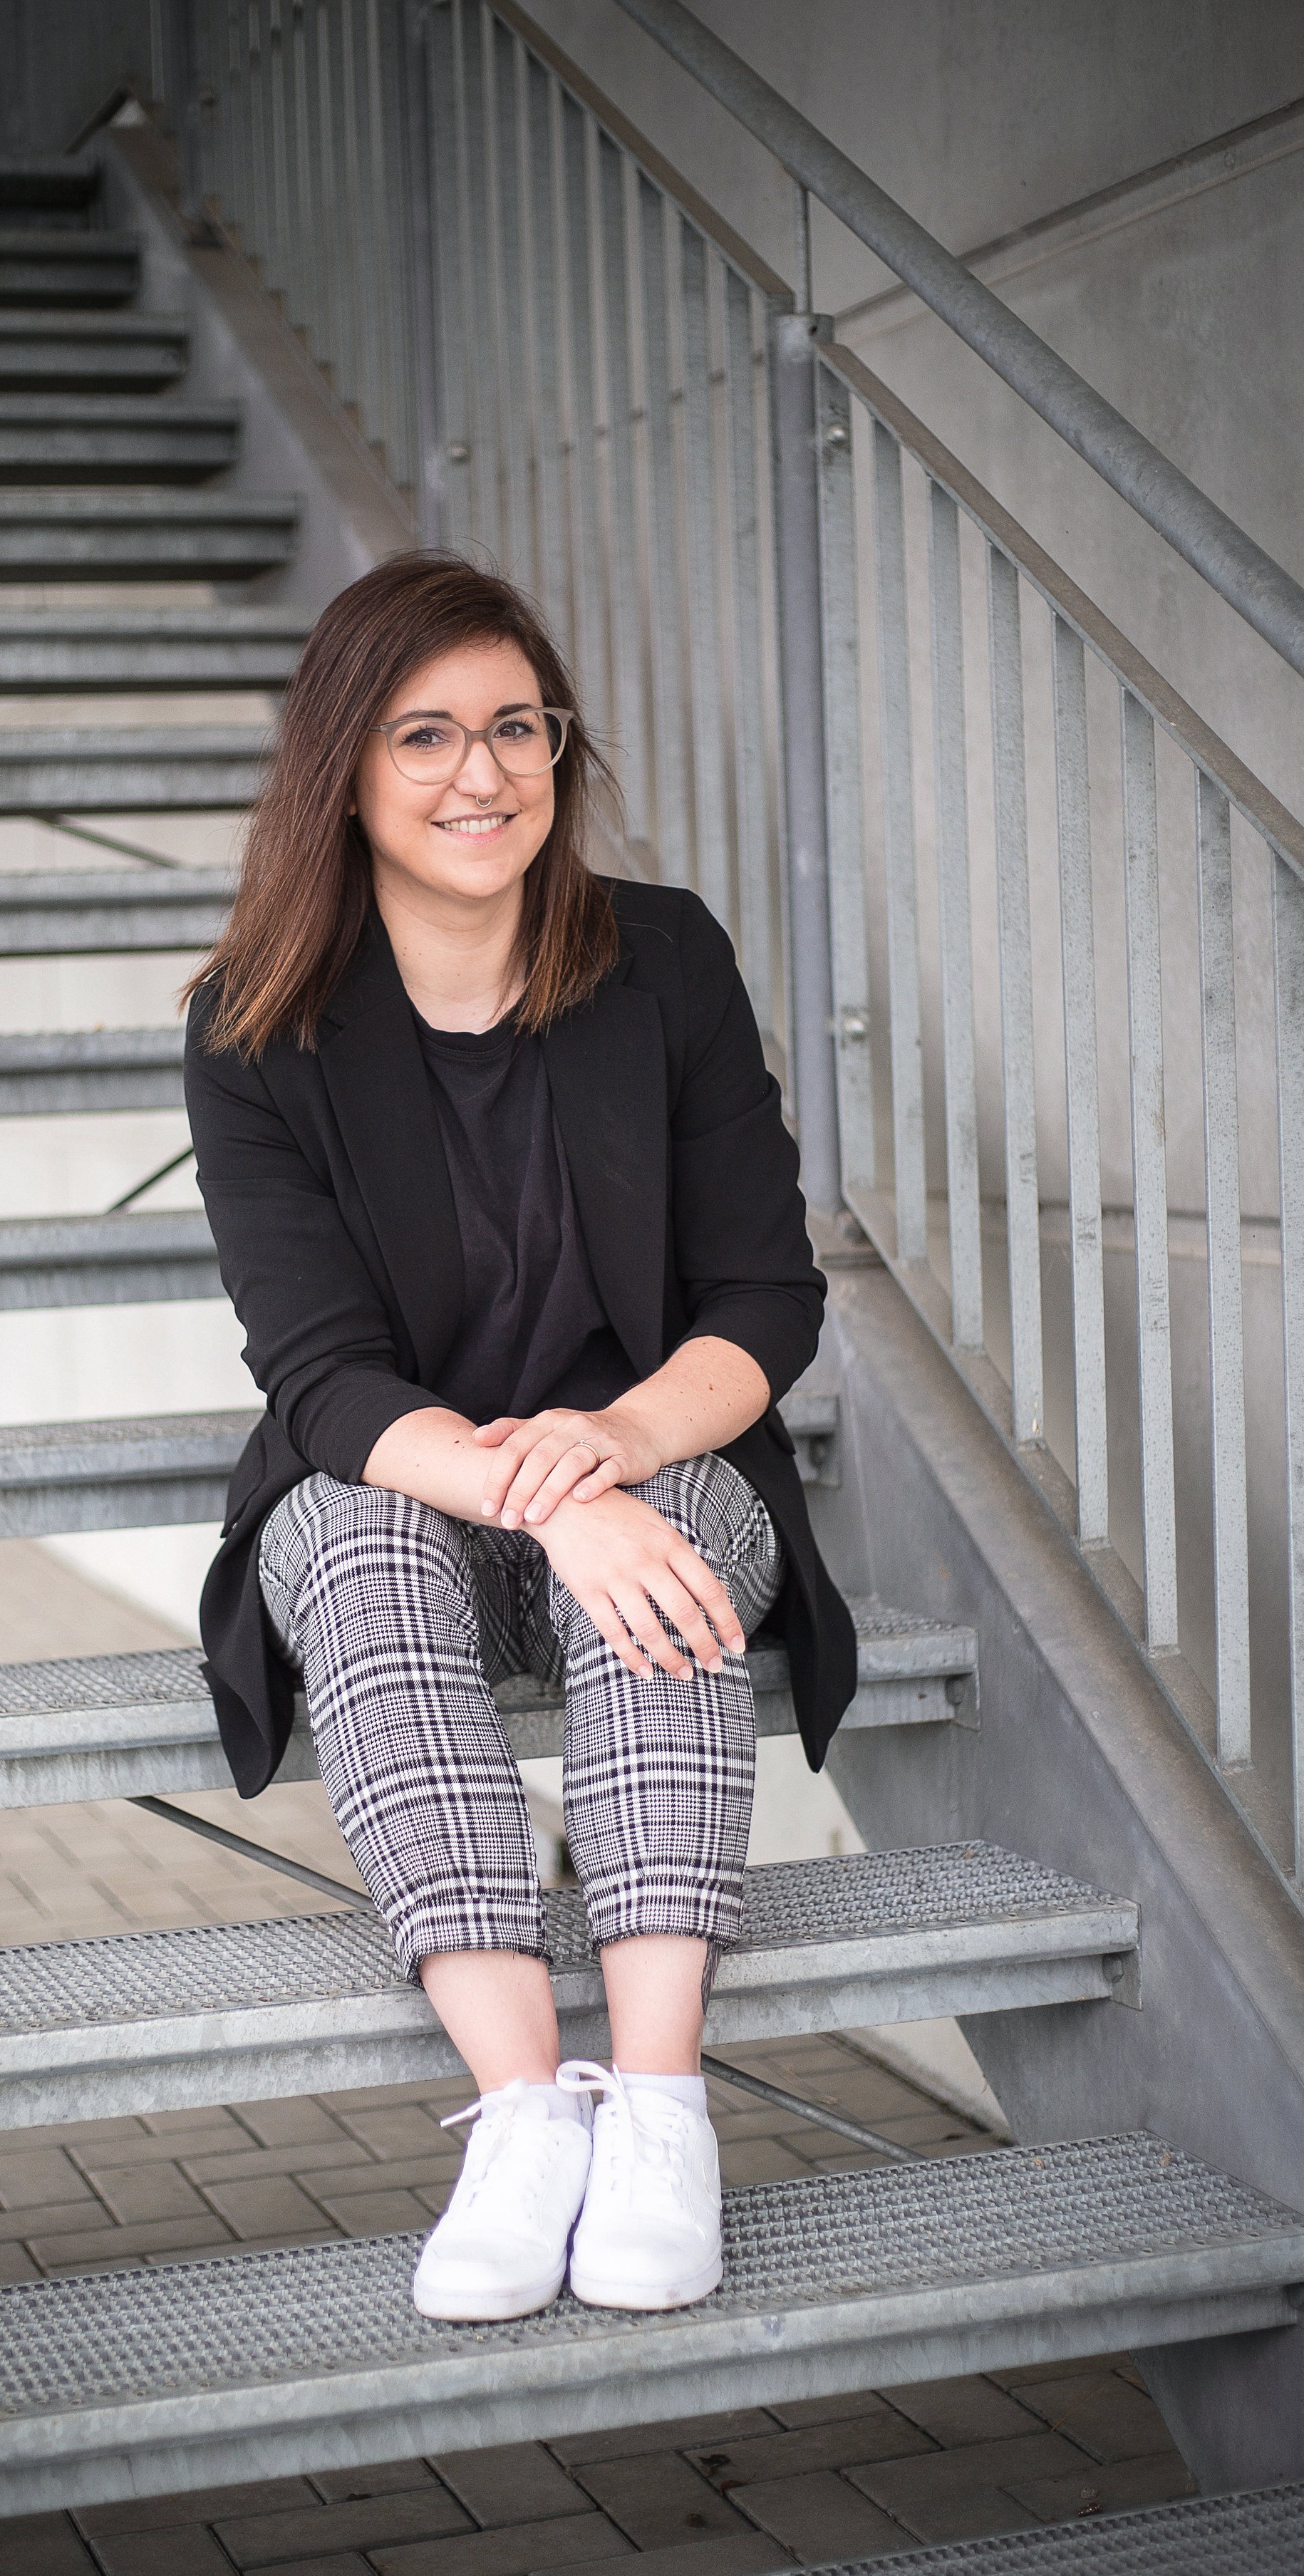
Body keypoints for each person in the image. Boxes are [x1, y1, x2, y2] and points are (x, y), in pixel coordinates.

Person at [184, 549, 857, 2324]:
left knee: (673, 1543)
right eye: (422, 735)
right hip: (402, 1482)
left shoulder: (663, 959)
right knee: (347, 1539)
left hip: (657, 1457)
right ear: (341, 767)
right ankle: (520, 2115)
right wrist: (553, 1503)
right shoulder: (255, 1027)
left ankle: (658, 2107)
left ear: (557, 746)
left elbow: (763, 1299)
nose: (478, 773)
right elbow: (320, 1377)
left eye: (513, 726)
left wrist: (614, 1452)